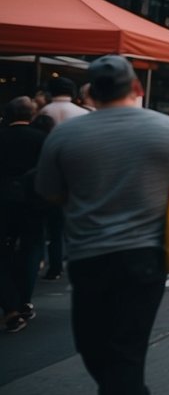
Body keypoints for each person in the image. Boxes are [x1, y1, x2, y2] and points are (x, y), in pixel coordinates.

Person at [35, 55, 169, 395]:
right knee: (123, 351)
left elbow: (48, 192)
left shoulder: (64, 135)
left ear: (90, 92)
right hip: (144, 255)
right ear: (136, 88)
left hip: (87, 254)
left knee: (95, 347)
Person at [0, 97, 48, 334]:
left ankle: (10, 306)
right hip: (33, 202)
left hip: (3, 200)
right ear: (32, 116)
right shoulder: (42, 139)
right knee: (31, 248)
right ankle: (24, 301)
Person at [34, 76, 89, 281]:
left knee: (51, 226)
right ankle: (71, 260)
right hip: (77, 174)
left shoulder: (44, 112)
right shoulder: (83, 114)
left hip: (48, 172)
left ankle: (52, 265)